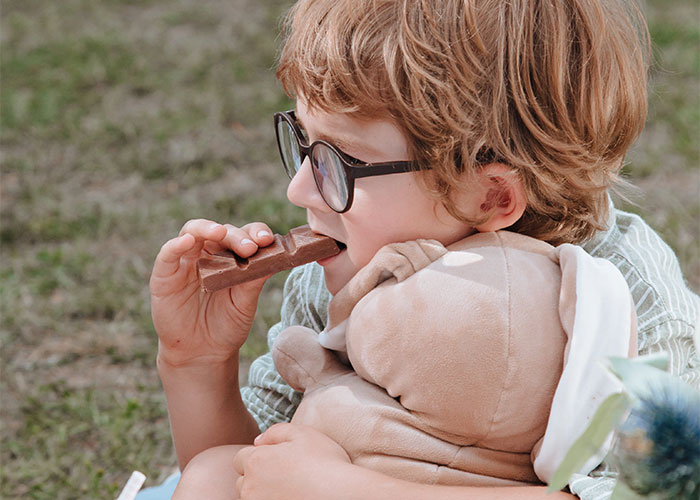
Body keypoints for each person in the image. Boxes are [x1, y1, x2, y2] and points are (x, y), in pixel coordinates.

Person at [146, 0, 699, 498]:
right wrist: (196, 363)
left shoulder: (626, 300)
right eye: (304, 144)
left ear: (492, 194)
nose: (298, 191)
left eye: (338, 163)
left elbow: (639, 495)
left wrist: (342, 488)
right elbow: (256, 474)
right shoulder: (337, 270)